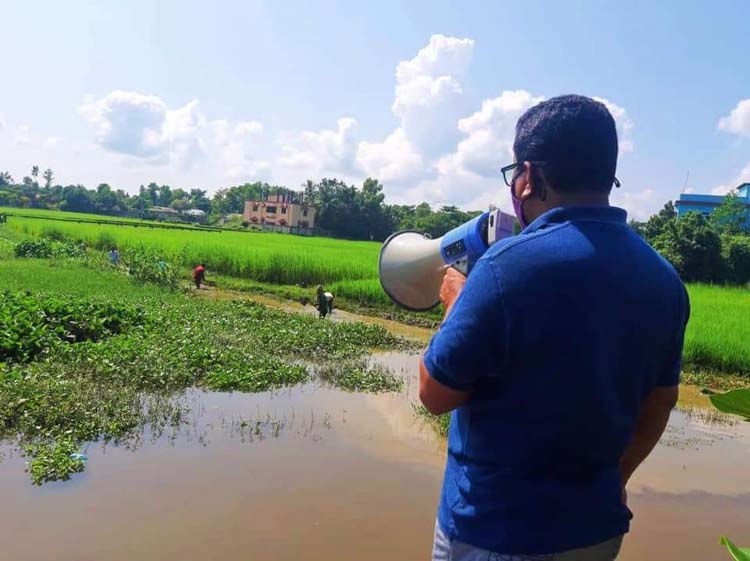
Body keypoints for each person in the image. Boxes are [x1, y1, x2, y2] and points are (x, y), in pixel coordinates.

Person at [420, 95, 690, 561]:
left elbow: (435, 394)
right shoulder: (662, 278)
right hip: (596, 532)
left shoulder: (505, 267)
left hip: (495, 533)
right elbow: (661, 401)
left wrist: (455, 302)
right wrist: (615, 480)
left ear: (528, 176)